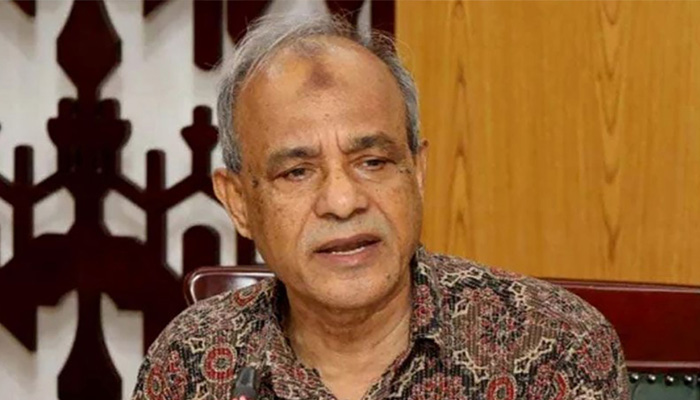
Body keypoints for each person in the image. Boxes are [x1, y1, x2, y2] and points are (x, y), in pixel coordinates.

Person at [132, 14, 630, 400]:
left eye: (373, 162)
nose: (343, 201)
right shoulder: (192, 360)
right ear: (239, 202)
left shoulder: (555, 345)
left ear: (417, 172)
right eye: (297, 172)